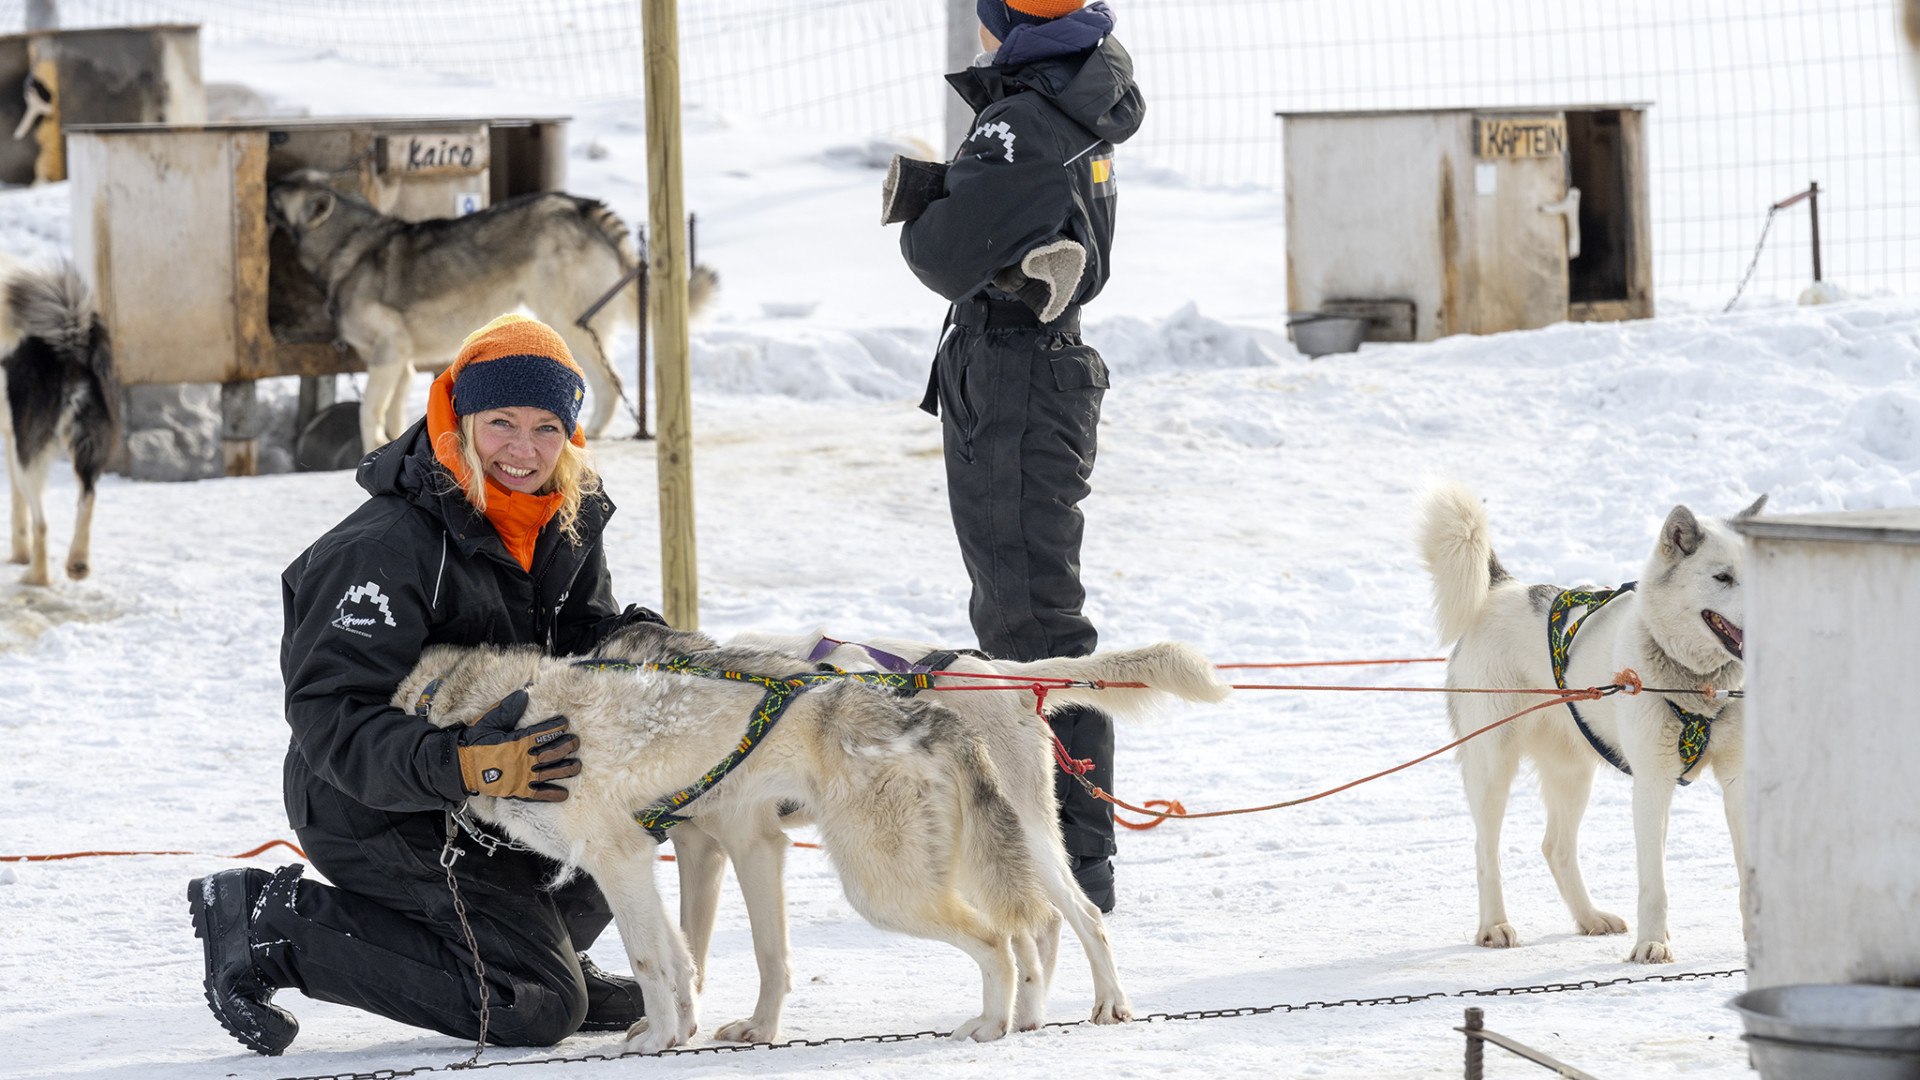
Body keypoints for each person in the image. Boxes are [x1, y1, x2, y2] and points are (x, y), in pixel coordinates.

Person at [188, 314, 665, 1056]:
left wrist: (664, 657)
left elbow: (582, 640)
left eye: (546, 427)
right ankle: (273, 924)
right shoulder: (382, 548)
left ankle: (547, 945)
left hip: (502, 787)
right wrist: (461, 764)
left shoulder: (563, 517)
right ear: (459, 416)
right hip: (373, 803)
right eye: (501, 421)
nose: (522, 449)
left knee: (657, 786)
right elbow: (330, 717)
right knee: (532, 1008)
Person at [887, 0, 1144, 913]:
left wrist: (919, 195)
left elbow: (942, 255)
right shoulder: (1083, 92)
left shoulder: (1019, 121)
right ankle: (1052, 841)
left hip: (1014, 374)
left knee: (1030, 626)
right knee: (1023, 612)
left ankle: (1071, 858)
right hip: (1038, 367)